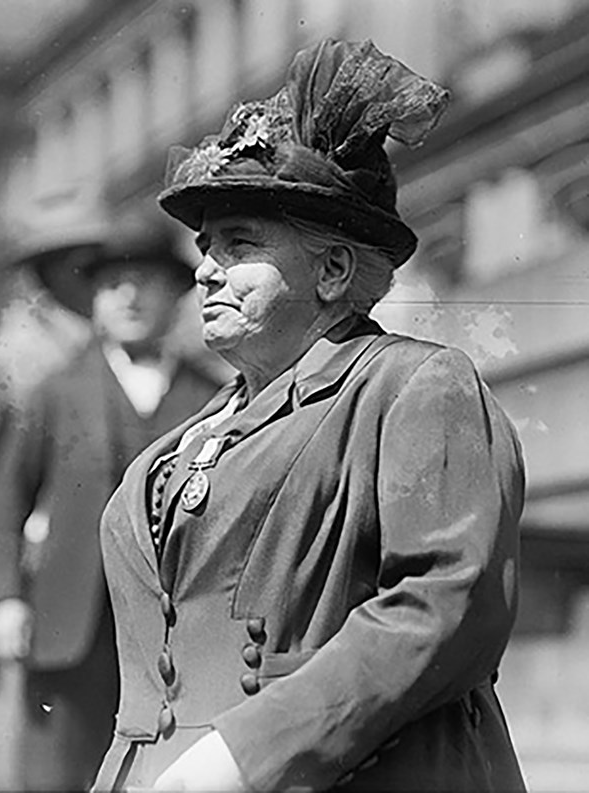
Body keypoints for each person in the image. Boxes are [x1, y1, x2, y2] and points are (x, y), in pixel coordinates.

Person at [93, 39, 527, 792]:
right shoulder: (194, 432)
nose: (204, 267)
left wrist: (242, 755)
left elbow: (445, 604)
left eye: (239, 243)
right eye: (205, 245)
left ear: (331, 271)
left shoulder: (415, 387)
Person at [0, 219, 221, 791]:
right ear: (93, 298)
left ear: (176, 297)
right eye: (114, 284)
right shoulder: (57, 391)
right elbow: (2, 497)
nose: (130, 297)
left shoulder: (213, 395)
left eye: (146, 282)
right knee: (61, 770)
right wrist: (1, 601)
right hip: (72, 625)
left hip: (179, 630)